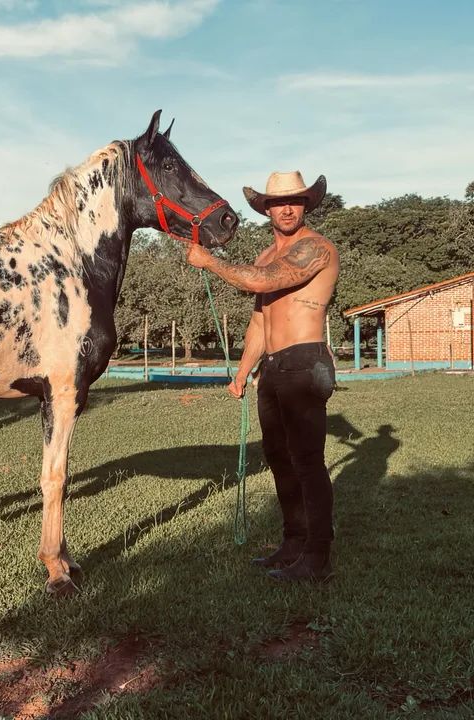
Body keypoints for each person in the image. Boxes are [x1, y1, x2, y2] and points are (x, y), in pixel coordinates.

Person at [185, 171, 340, 582]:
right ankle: (292, 543)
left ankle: (317, 556)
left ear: (306, 205)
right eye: (278, 202)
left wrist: (211, 262)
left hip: (305, 363)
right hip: (272, 368)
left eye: (295, 200)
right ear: (266, 208)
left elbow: (268, 281)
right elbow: (260, 320)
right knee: (278, 458)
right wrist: (242, 371)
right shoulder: (264, 255)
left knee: (307, 460)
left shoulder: (316, 249)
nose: (286, 208)